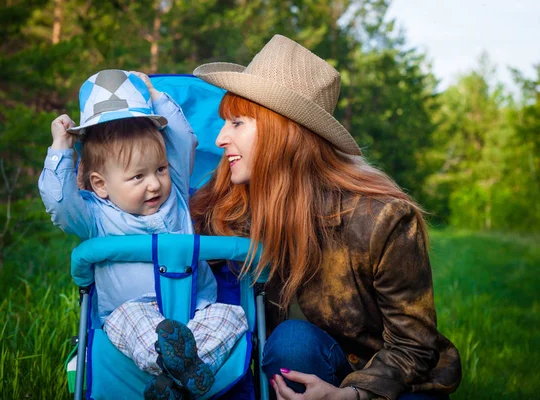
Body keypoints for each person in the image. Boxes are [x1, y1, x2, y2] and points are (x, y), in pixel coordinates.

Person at [191, 35, 462, 400]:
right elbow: (159, 223)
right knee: (293, 343)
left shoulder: (381, 219)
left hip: (390, 385)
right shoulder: (235, 206)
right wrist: (147, 114)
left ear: (281, 132)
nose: (221, 138)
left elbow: (413, 347)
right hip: (304, 370)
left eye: (237, 122)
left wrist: (349, 396)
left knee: (294, 343)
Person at [38, 69, 248, 399]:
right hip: (132, 314)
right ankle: (178, 370)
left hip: (197, 312)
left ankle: (179, 377)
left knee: (233, 316)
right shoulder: (94, 215)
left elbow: (181, 139)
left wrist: (156, 96)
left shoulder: (175, 193)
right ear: (100, 184)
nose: (154, 183)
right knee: (133, 321)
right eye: (137, 177)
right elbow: (59, 204)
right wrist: (60, 149)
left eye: (160, 169)